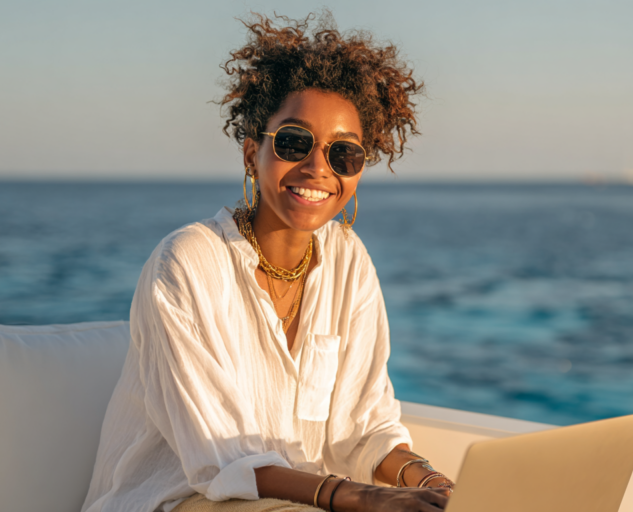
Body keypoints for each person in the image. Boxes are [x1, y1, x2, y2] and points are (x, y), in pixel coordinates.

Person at [81, 12, 453, 512]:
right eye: (294, 143)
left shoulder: (349, 263)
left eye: (344, 154)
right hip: (176, 501)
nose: (318, 167)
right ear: (251, 153)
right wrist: (353, 496)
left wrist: (427, 480)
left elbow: (364, 427)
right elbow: (220, 461)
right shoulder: (186, 265)